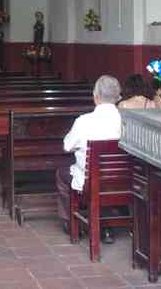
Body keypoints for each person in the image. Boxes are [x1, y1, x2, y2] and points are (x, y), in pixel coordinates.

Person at [56, 75, 122, 243]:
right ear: (118, 97)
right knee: (105, 179)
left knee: (61, 174)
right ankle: (107, 228)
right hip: (121, 181)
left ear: (95, 96)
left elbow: (67, 146)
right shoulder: (126, 120)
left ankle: (71, 223)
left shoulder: (83, 121)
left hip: (89, 182)